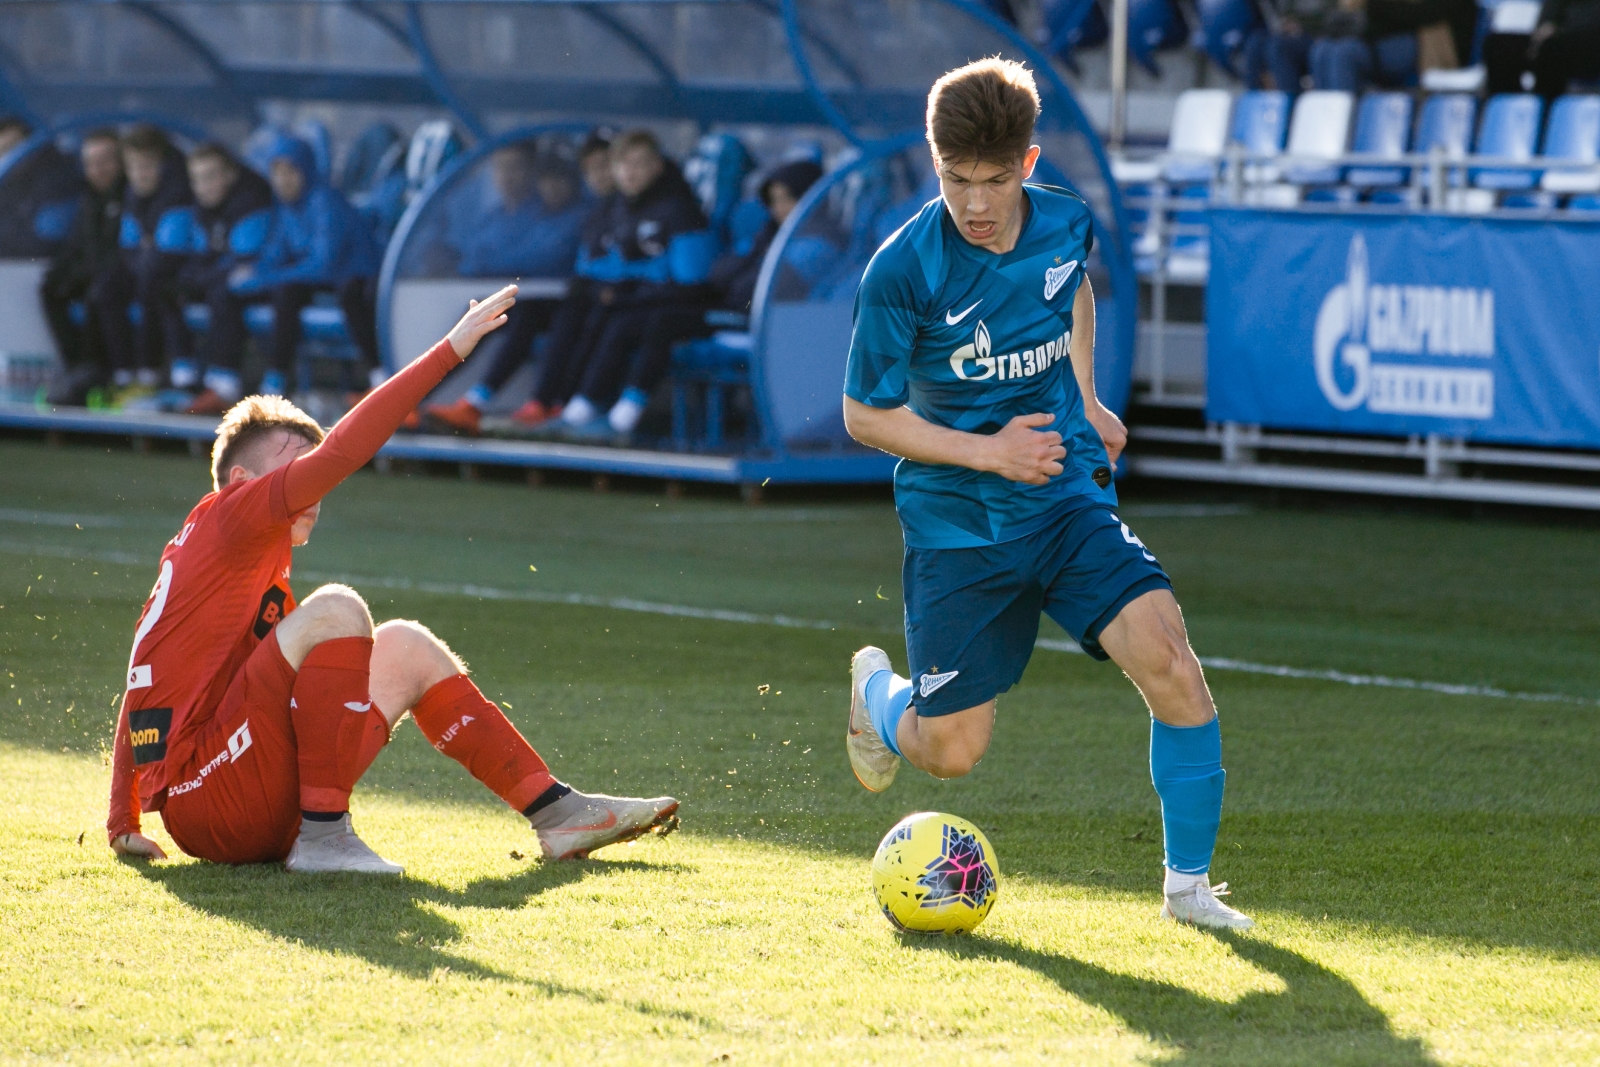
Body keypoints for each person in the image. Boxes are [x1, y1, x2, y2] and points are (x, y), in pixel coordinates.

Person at [840, 59, 1254, 931]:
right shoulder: (901, 271)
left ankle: (1188, 890)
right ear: (934, 162)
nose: (975, 203)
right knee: (951, 751)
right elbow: (864, 415)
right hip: (958, 525)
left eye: (994, 180)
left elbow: (1073, 290)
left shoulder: (1066, 222)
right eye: (955, 179)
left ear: (1027, 163)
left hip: (1063, 496)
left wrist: (1088, 396)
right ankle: (878, 695)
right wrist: (990, 453)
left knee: (1171, 659)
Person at [106, 284, 681, 873]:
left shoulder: (220, 557)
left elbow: (145, 671)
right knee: (337, 610)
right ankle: (325, 837)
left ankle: (558, 814)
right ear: (239, 483)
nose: (312, 490)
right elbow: (342, 453)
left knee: (406, 645)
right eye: (294, 472)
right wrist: (449, 352)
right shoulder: (230, 516)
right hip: (211, 804)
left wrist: (122, 821)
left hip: (236, 799)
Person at [573, 159, 823, 439]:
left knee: (665, 321)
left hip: (760, 323)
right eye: (774, 201)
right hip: (730, 310)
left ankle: (627, 414)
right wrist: (749, 262)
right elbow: (719, 272)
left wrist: (744, 269)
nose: (780, 208)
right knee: (628, 319)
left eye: (788, 199)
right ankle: (585, 403)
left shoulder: (818, 242)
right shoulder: (766, 236)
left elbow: (760, 287)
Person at [527, 129, 714, 437]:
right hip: (641, 302)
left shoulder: (681, 211)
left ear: (657, 167)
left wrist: (631, 293)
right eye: (623, 163)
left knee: (623, 319)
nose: (630, 172)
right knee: (586, 310)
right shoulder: (620, 210)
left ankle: (613, 414)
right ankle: (568, 404)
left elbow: (691, 283)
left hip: (681, 309)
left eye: (639, 163)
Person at [422, 145, 589, 435]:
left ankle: (480, 403)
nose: (507, 176)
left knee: (519, 313)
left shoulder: (572, 215)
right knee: (478, 315)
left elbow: (539, 258)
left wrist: (489, 262)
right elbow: (474, 260)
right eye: (500, 168)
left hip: (565, 308)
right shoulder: (497, 215)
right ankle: (417, 397)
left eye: (515, 167)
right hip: (526, 303)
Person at [229, 134, 381, 399]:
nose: (283, 180)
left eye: (290, 171)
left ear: (306, 170)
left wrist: (266, 278)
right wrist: (255, 271)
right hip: (323, 282)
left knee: (350, 294)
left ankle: (381, 377)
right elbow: (276, 251)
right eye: (276, 172)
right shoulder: (285, 206)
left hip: (356, 276)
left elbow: (324, 265)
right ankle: (274, 381)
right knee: (284, 292)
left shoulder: (325, 202)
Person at [158, 143, 275, 414]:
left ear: (230, 175)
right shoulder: (202, 207)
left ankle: (224, 385)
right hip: (219, 278)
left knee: (224, 292)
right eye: (197, 179)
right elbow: (202, 256)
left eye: (210, 176)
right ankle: (184, 377)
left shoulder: (252, 202)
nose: (203, 186)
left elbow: (243, 259)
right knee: (167, 287)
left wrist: (202, 276)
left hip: (263, 281)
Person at [93, 125, 192, 400]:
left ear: (163, 165)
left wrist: (146, 249)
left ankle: (149, 375)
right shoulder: (131, 194)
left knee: (152, 280)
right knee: (105, 288)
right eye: (133, 167)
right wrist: (146, 247)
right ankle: (123, 374)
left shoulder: (179, 193)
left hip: (176, 275)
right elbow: (128, 246)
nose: (140, 174)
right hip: (145, 266)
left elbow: (169, 251)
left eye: (147, 166)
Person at [40, 128, 125, 406]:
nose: (97, 170)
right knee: (50, 288)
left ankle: (96, 371)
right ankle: (76, 367)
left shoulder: (128, 196)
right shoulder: (88, 198)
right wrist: (62, 272)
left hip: (117, 279)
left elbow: (115, 253)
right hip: (92, 272)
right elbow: (76, 245)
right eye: (90, 163)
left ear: (120, 162)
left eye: (104, 161)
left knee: (97, 291)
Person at [0, 116, 82, 258]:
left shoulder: (55, 175)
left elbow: (45, 236)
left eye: (15, 148)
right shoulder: (11, 182)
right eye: (4, 152)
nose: (11, 157)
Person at [1484, 0, 1600, 99]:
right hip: (1558, 37)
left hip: (1588, 43)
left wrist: (1557, 30)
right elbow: (1549, 15)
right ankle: (1507, 105)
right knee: (1499, 45)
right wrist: (1545, 27)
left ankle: (1546, 105)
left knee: (1550, 48)